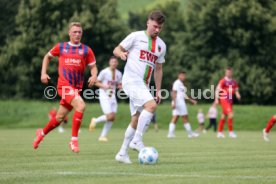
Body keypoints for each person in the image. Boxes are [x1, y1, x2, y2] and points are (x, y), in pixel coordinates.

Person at [33, 22, 97, 153]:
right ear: (69, 33)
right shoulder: (61, 47)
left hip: (76, 88)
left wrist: (94, 75)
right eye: (75, 32)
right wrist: (43, 73)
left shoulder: (86, 50)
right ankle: (73, 140)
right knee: (81, 106)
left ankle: (41, 133)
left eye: (79, 32)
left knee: (59, 118)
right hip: (63, 86)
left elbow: (93, 67)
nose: (77, 34)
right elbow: (47, 57)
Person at [113, 10, 167, 164]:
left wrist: (157, 90)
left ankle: (122, 153)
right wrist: (121, 55)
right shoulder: (136, 36)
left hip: (143, 85)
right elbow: (116, 49)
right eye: (155, 26)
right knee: (151, 105)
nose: (157, 30)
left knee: (135, 120)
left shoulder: (162, 46)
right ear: (148, 22)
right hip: (130, 80)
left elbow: (158, 69)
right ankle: (137, 140)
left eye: (160, 28)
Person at [89, 56, 122, 142]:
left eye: (115, 62)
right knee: (110, 116)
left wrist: (121, 86)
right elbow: (96, 82)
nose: (114, 63)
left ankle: (102, 136)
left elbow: (118, 84)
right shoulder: (104, 72)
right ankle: (95, 120)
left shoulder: (119, 73)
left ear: (117, 63)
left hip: (113, 96)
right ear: (109, 63)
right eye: (112, 62)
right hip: (104, 95)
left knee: (112, 117)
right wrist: (104, 86)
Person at [167, 71, 199, 139]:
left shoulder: (181, 84)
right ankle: (190, 134)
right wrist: (174, 103)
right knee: (185, 117)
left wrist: (191, 100)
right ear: (179, 76)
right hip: (179, 103)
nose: (183, 77)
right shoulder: (177, 83)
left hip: (179, 102)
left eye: (184, 75)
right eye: (182, 75)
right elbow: (174, 92)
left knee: (175, 117)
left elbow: (183, 95)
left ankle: (170, 134)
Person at [215, 67, 241, 138]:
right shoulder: (223, 81)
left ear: (232, 73)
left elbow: (236, 90)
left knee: (224, 116)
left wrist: (237, 94)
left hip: (230, 100)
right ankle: (231, 132)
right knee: (230, 114)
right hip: (224, 99)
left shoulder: (233, 82)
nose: (228, 73)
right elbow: (217, 90)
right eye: (227, 72)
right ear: (225, 73)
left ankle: (219, 132)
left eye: (230, 72)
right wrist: (216, 99)